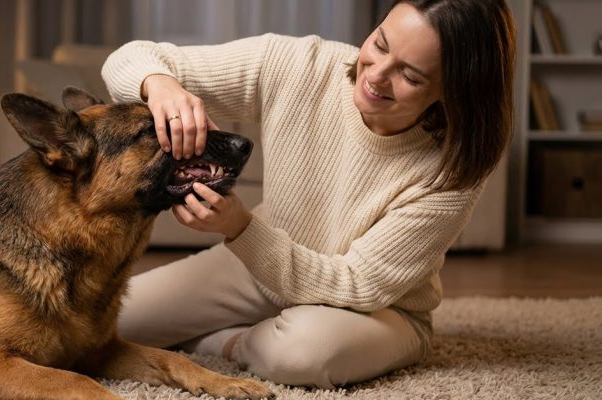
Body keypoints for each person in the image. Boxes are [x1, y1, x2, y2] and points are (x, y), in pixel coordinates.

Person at [100, 0, 515, 389]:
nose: (375, 75)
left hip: (372, 309)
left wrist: (240, 229)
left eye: (409, 76)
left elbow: (359, 285)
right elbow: (128, 59)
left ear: (453, 92)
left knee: (299, 354)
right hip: (255, 271)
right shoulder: (302, 65)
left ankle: (228, 343)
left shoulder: (453, 170)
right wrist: (161, 87)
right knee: (103, 327)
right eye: (380, 44)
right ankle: (256, 333)